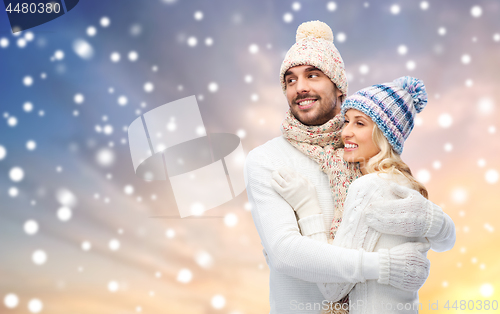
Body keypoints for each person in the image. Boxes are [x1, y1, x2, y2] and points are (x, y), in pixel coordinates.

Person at [244, 20, 453, 314]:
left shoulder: (364, 150)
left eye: (313, 75)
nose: (300, 87)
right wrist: (385, 266)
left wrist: (434, 224)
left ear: (339, 88)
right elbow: (286, 253)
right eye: (290, 80)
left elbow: (423, 231)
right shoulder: (267, 159)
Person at [271, 76, 456, 313]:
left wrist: (308, 207)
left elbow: (331, 287)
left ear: (385, 135)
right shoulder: (405, 186)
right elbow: (444, 242)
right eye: (346, 121)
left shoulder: (368, 187)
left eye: (360, 124)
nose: (345, 132)